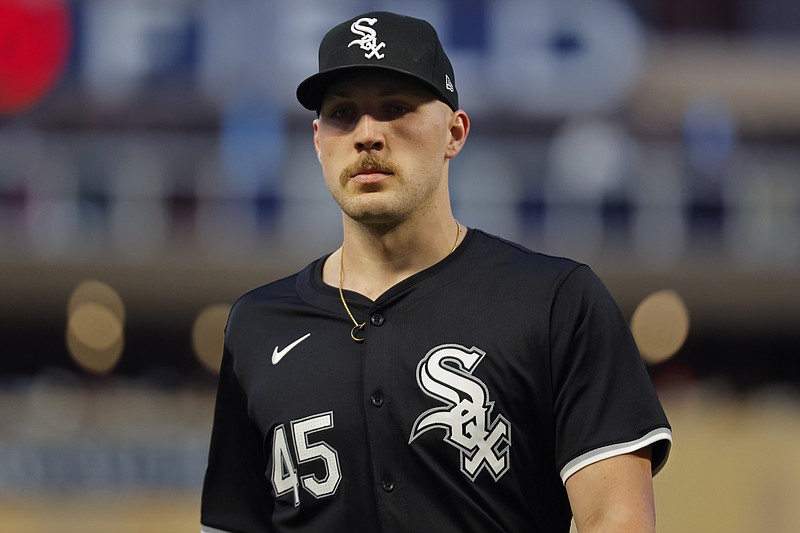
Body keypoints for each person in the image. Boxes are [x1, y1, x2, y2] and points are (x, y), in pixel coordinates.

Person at [200, 11, 671, 533]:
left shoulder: (555, 300)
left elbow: (617, 517)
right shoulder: (258, 325)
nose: (367, 135)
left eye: (396, 108)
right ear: (317, 139)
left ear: (455, 131)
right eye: (343, 113)